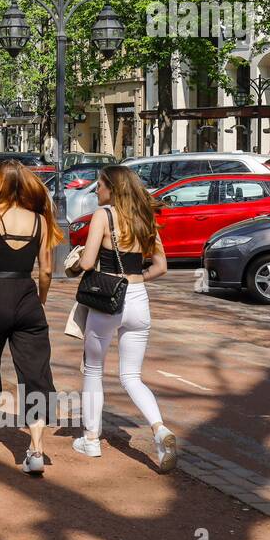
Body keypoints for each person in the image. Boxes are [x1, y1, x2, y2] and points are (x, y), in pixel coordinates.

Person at [71, 164, 178, 473]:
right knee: (131, 376)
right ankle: (160, 430)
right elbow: (161, 267)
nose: (96, 191)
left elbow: (89, 261)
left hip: (107, 299)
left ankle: (91, 438)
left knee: (93, 369)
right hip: (138, 299)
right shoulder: (144, 218)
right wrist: (136, 277)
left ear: (112, 188)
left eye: (100, 186)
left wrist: (75, 262)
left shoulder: (103, 216)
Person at [0, 160, 62, 475]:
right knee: (36, 374)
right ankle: (35, 450)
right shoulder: (39, 221)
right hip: (27, 298)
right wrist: (40, 298)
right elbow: (46, 270)